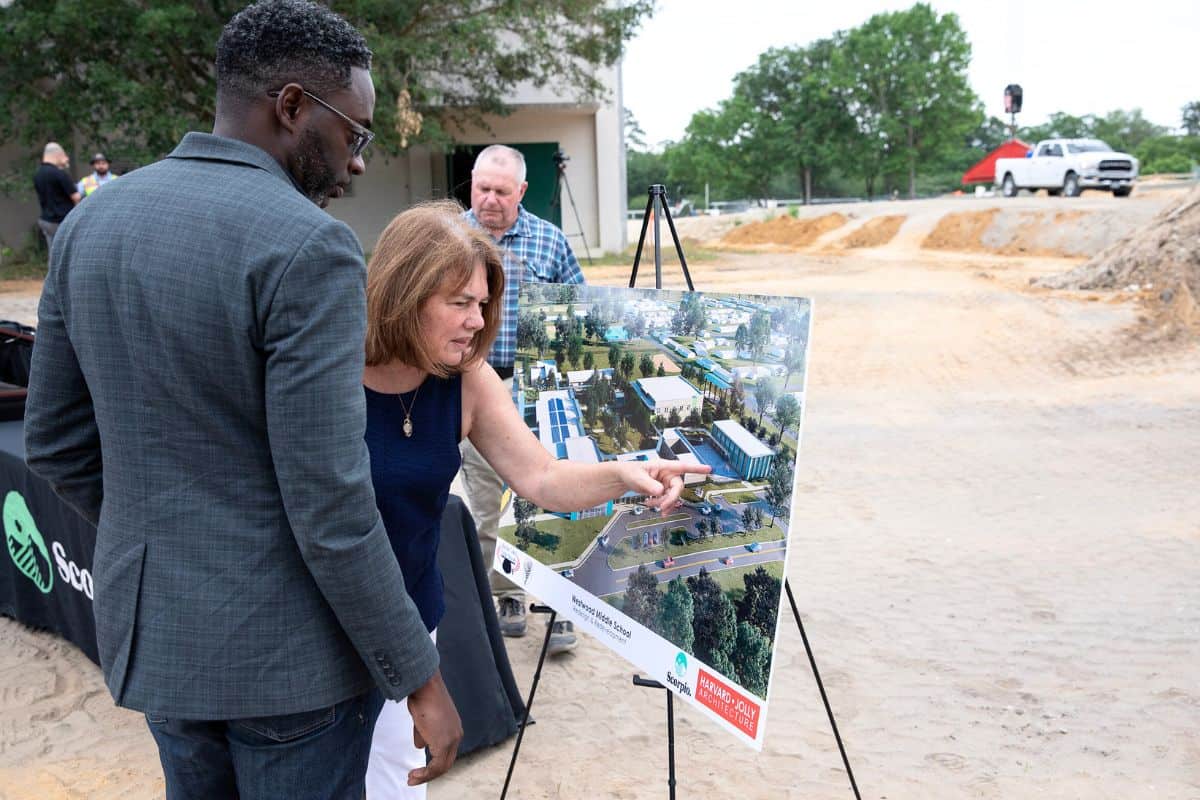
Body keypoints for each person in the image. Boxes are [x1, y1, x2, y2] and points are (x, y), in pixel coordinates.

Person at [23, 2, 460, 797]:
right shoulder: (310, 247)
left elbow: (53, 443)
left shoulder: (90, 226)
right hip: (291, 665)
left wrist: (171, 541)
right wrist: (421, 678)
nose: (359, 162)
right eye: (355, 134)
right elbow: (329, 502)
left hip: (162, 644)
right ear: (292, 106)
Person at [362, 201, 704, 797]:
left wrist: (630, 472)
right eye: (460, 303)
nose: (478, 321)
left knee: (394, 785)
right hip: (322, 628)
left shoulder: (466, 378)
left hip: (412, 623)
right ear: (403, 292)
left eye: (483, 303)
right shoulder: (324, 368)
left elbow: (542, 476)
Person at [459, 143, 585, 651]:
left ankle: (558, 604)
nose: (489, 199)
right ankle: (505, 593)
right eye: (482, 188)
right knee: (488, 503)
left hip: (534, 386)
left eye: (501, 191)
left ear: (523, 193)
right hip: (471, 382)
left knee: (552, 495)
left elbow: (577, 312)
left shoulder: (551, 243)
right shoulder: (448, 237)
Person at [32, 142, 80, 254]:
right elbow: (76, 197)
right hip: (62, 221)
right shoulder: (59, 174)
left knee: (53, 254)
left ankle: (53, 270)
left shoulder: (38, 174)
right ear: (58, 155)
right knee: (69, 254)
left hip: (46, 221)